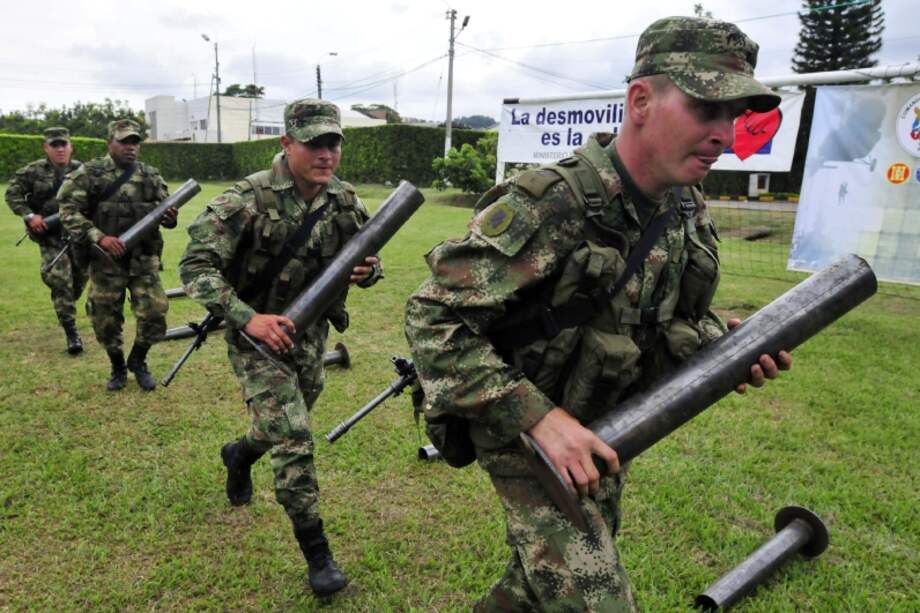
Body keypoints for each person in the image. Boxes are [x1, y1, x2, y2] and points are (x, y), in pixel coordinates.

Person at [405, 16, 793, 612]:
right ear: (641, 100)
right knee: (594, 596)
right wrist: (537, 418)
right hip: (521, 422)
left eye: (732, 115)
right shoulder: (549, 203)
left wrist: (725, 348)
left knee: (541, 584)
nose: (724, 133)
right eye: (705, 109)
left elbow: (659, 318)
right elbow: (432, 319)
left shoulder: (685, 206)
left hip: (606, 422)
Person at [178, 99, 381, 597]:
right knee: (293, 434)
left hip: (310, 335)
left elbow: (370, 261)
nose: (326, 153)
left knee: (279, 424)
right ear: (286, 144)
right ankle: (320, 559)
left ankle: (238, 455)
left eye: (333, 142)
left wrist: (369, 271)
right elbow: (195, 269)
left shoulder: (345, 200)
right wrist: (251, 319)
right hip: (255, 336)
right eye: (314, 143)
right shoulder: (245, 198)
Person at [59, 119, 177, 391]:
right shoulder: (89, 174)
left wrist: (170, 218)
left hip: (143, 259)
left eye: (134, 142)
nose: (130, 148)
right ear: (109, 143)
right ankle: (117, 366)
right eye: (123, 141)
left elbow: (167, 215)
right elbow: (67, 211)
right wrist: (98, 236)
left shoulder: (150, 175)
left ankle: (138, 360)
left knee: (155, 314)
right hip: (105, 261)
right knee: (105, 320)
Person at [5, 127, 87, 354]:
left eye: (64, 144)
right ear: (46, 148)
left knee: (78, 281)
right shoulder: (33, 171)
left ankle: (66, 304)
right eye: (55, 145)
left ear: (71, 147)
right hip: (50, 237)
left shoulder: (82, 169)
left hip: (78, 237)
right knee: (60, 281)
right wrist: (30, 216)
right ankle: (72, 333)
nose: (60, 149)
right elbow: (12, 193)